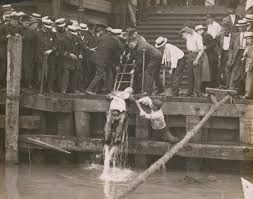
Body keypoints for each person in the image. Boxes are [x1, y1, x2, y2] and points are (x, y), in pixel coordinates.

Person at [86, 25, 122, 94]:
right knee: (100, 73)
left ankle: (107, 89)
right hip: (101, 60)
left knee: (109, 72)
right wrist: (117, 64)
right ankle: (89, 89)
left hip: (95, 57)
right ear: (117, 36)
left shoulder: (104, 38)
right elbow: (116, 55)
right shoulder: (116, 42)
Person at [180, 27, 207, 97]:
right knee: (190, 74)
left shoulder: (198, 36)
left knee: (197, 74)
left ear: (191, 28)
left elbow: (201, 50)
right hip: (190, 54)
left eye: (187, 29)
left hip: (196, 54)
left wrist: (197, 59)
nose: (186, 31)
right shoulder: (188, 36)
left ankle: (197, 92)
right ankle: (190, 91)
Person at [227, 19, 248, 93]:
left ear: (246, 26)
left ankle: (245, 90)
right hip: (237, 54)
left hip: (247, 54)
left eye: (243, 26)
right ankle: (232, 88)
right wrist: (230, 57)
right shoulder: (235, 35)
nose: (241, 28)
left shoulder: (250, 35)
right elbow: (231, 47)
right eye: (240, 27)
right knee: (235, 70)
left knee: (245, 71)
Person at [195, 24, 217, 89]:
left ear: (201, 30)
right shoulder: (200, 36)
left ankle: (211, 86)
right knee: (206, 71)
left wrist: (206, 47)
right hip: (205, 55)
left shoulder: (207, 35)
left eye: (198, 31)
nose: (197, 32)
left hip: (210, 55)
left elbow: (213, 43)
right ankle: (206, 86)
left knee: (211, 71)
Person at [242, 32, 253, 98]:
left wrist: (249, 66)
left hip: (250, 64)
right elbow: (246, 55)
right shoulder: (248, 47)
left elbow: (252, 57)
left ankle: (248, 94)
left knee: (249, 78)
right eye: (247, 39)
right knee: (247, 78)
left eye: (249, 38)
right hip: (247, 63)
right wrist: (244, 57)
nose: (247, 40)